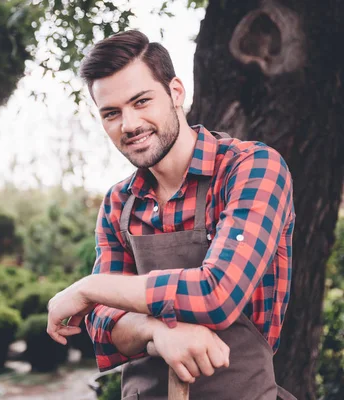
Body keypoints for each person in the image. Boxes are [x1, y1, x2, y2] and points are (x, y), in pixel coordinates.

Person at [46, 30, 296, 400]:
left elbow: (217, 294)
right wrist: (157, 332)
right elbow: (101, 325)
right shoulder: (119, 202)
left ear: (176, 92)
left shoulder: (251, 169)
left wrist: (89, 288)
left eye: (141, 101)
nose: (129, 125)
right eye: (111, 113)